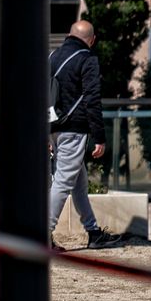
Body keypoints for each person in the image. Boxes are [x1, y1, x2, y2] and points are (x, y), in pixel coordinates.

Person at [47, 19, 123, 252]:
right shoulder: (87, 59)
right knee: (62, 182)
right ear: (92, 40)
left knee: (78, 183)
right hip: (74, 129)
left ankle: (93, 232)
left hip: (53, 129)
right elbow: (92, 99)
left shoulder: (52, 56)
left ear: (70, 34)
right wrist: (99, 137)